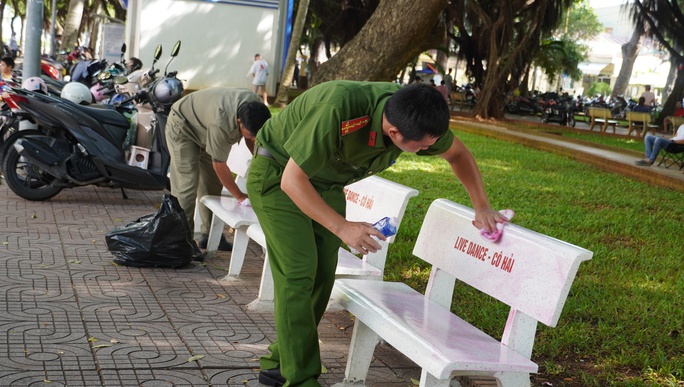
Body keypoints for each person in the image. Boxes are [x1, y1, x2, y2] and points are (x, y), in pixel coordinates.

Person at [247, 81, 506, 387]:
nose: (427, 150)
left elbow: (457, 154)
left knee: (321, 273)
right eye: (422, 147)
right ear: (395, 134)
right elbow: (293, 181)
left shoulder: (415, 115)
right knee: (299, 271)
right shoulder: (338, 110)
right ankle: (301, 379)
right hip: (278, 176)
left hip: (323, 184)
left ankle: (281, 362)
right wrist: (343, 228)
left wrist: (482, 207)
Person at [165, 87, 271, 251]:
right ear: (239, 122)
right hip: (183, 127)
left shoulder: (256, 108)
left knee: (212, 185)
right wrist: (240, 196)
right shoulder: (221, 123)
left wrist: (262, 162)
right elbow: (219, 165)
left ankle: (210, 236)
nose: (254, 138)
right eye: (250, 134)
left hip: (205, 128)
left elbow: (254, 140)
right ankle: (181, 242)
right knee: (186, 186)